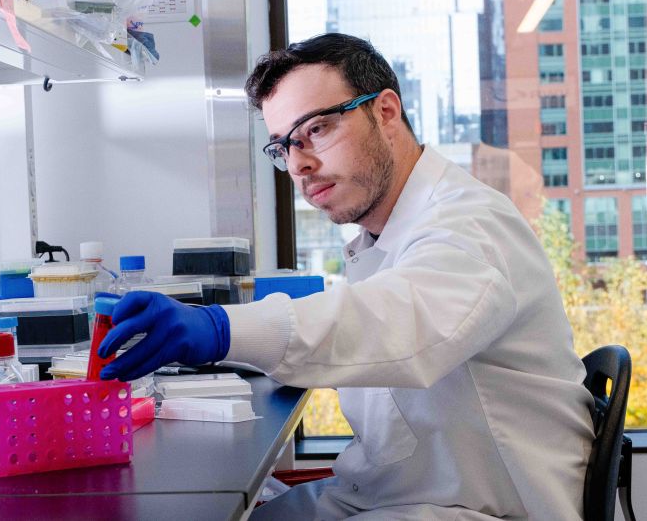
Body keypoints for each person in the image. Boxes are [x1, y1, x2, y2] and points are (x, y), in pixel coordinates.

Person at [99, 33, 595, 520]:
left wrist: (221, 328)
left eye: (316, 129)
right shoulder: (384, 237)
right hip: (397, 494)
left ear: (385, 112)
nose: (299, 164)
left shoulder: (470, 225)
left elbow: (395, 322)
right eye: (283, 145)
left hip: (483, 508)